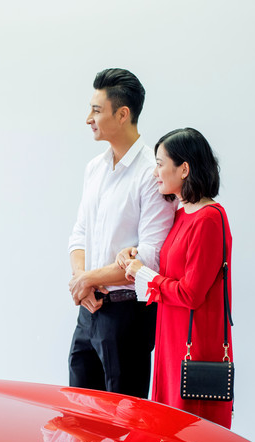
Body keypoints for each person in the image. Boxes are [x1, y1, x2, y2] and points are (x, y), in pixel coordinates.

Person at [67, 68, 177, 398]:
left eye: (96, 110)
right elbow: (79, 234)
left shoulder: (150, 173)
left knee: (125, 426)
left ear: (123, 114)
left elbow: (150, 258)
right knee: (79, 417)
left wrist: (87, 279)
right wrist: (82, 281)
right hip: (89, 309)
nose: (89, 118)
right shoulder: (94, 168)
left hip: (128, 315)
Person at [118, 127, 233, 428]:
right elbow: (172, 271)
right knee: (167, 429)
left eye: (159, 163)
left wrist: (143, 274)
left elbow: (192, 293)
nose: (155, 171)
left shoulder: (209, 219)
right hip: (172, 335)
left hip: (193, 346)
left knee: (189, 435)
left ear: (184, 168)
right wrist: (137, 257)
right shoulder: (183, 213)